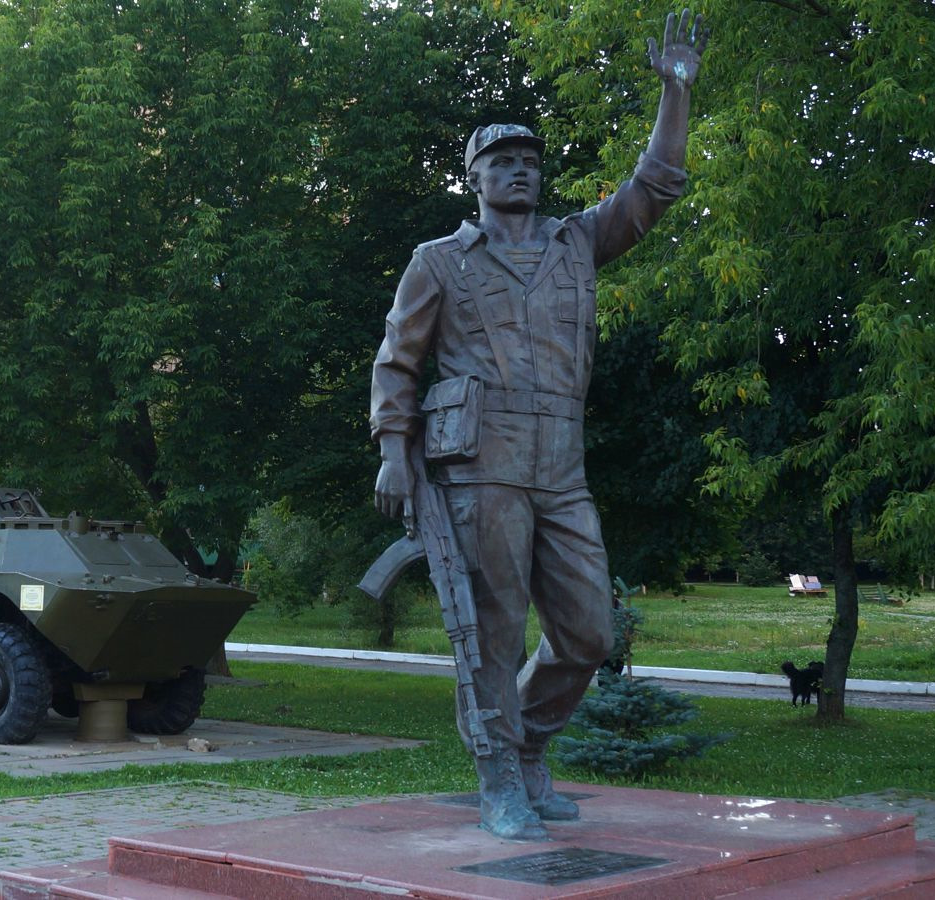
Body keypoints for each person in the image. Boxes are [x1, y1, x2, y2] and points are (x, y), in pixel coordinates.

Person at [370, 10, 708, 841]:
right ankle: (500, 780)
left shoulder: (578, 243)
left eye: (529, 161)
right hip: (478, 463)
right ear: (474, 179)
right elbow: (397, 362)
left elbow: (656, 184)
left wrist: (674, 90)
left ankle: (527, 748)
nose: (518, 171)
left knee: (589, 630)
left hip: (561, 461)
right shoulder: (438, 262)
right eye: (501, 162)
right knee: (490, 628)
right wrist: (392, 453)